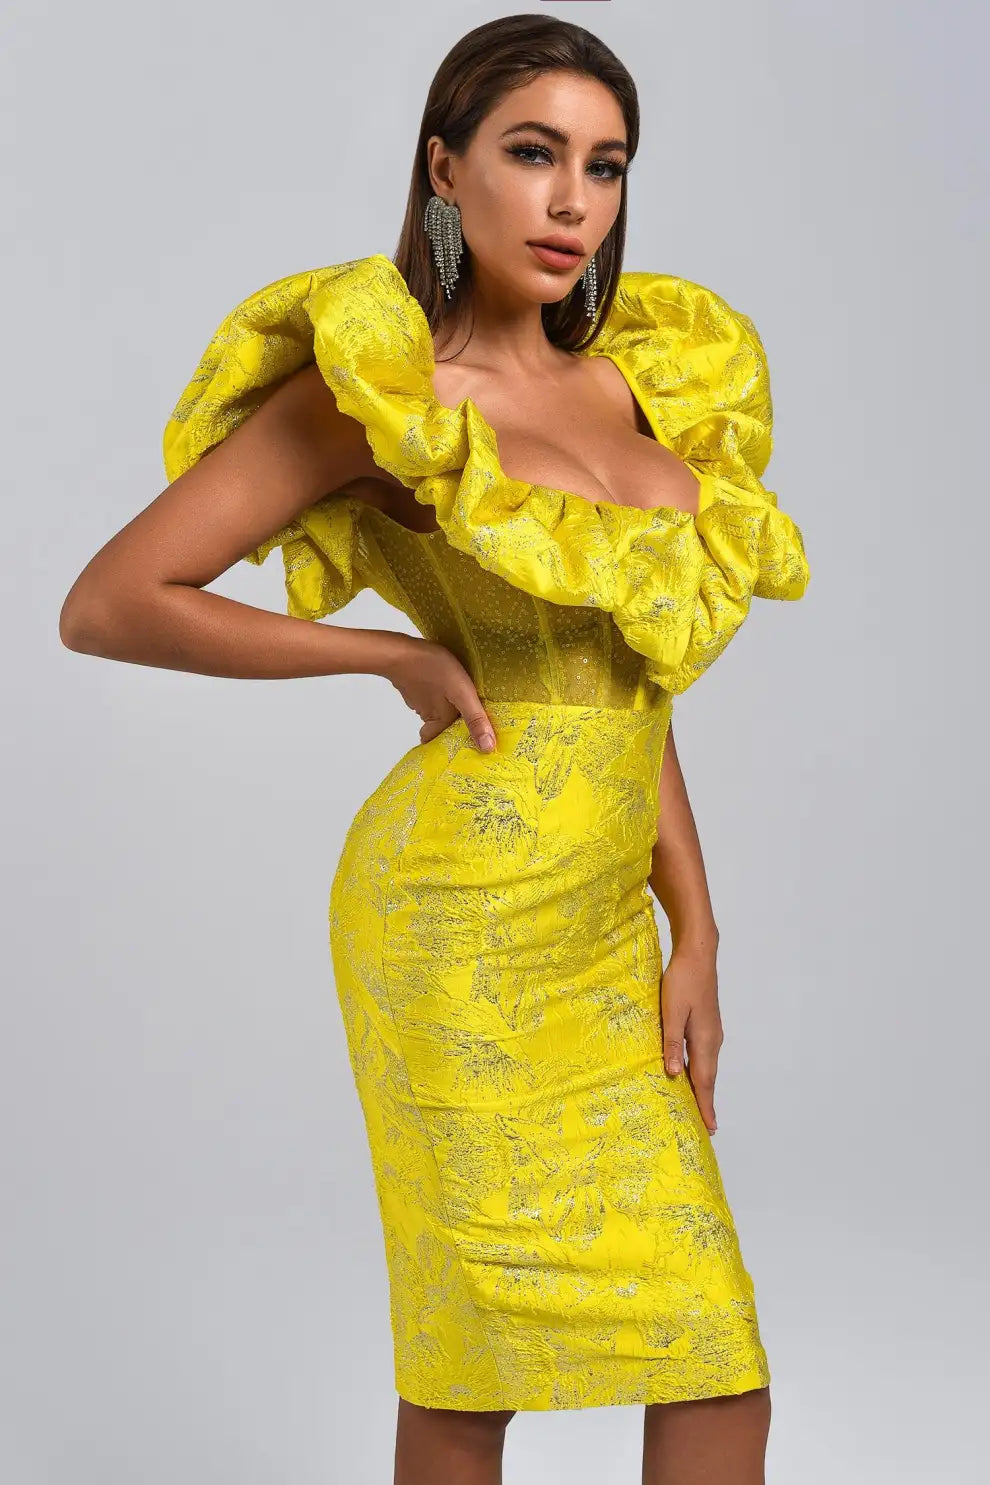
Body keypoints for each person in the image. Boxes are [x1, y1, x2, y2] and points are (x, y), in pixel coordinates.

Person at [59, 13, 810, 1485]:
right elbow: (109, 601)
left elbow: (632, 689)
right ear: (445, 169)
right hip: (452, 920)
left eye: (604, 165)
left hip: (603, 926)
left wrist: (698, 927)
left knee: (714, 1362)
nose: (572, 200)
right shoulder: (383, 397)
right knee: (471, 1371)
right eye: (533, 153)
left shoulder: (648, 387)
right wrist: (388, 653)